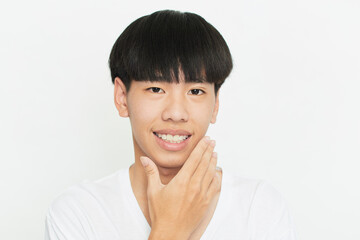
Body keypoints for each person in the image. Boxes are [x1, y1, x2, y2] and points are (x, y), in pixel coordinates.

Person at [44, 10, 297, 240]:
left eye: (196, 91)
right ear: (122, 98)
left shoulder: (259, 208)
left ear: (216, 103)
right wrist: (170, 229)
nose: (176, 113)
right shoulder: (78, 213)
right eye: (156, 88)